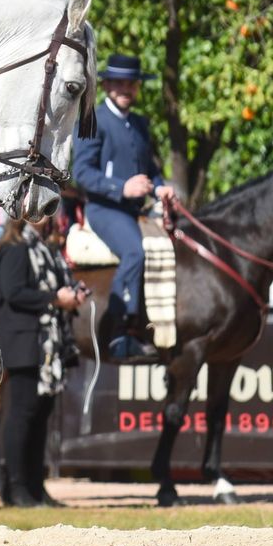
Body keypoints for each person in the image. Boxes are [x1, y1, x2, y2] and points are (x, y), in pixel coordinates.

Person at [71, 53, 174, 361]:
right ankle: (122, 332)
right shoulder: (91, 120)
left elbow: (150, 170)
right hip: (105, 209)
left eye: (131, 83)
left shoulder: (141, 123)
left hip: (136, 210)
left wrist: (160, 188)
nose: (125, 89)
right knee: (134, 251)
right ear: (106, 86)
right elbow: (83, 172)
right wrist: (121, 187)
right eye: (119, 83)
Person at [0, 215, 85, 507]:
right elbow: (13, 292)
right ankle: (15, 487)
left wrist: (71, 295)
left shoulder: (45, 248)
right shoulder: (16, 248)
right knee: (21, 415)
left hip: (46, 342)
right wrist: (55, 298)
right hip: (23, 341)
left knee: (41, 415)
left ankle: (35, 485)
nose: (47, 215)